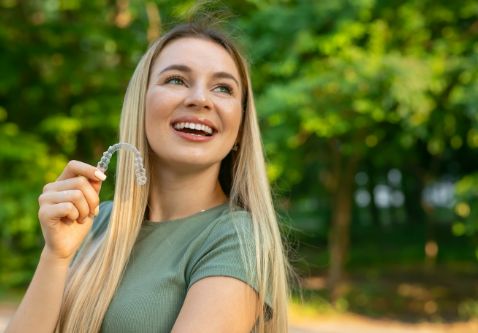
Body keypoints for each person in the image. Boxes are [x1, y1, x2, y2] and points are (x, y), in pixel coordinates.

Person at [6, 20, 290, 333]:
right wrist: (55, 255)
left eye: (222, 88)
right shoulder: (96, 221)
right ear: (140, 105)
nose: (201, 99)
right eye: (177, 80)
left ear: (240, 127)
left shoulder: (236, 239)